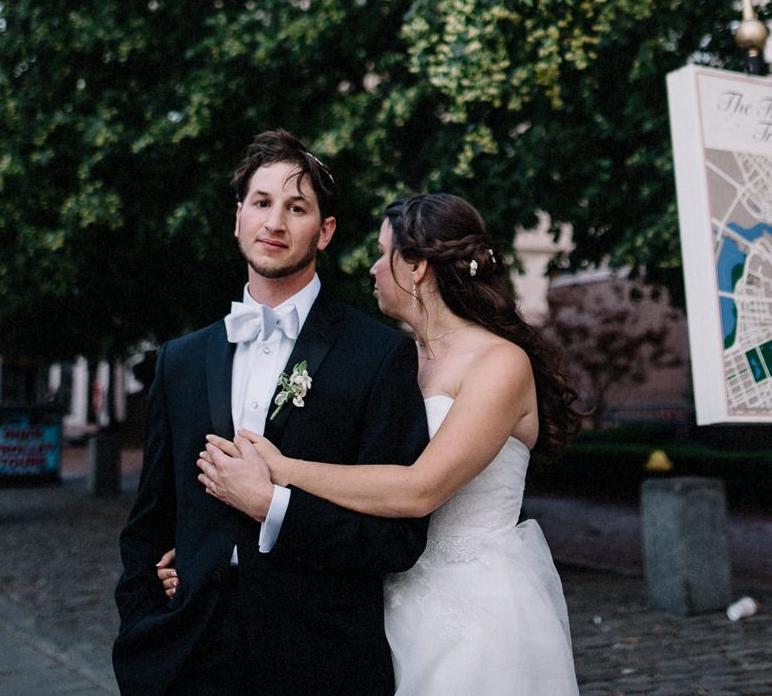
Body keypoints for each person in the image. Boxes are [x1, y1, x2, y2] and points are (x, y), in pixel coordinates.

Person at [195, 192, 583, 695]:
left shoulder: (500, 363)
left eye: (383, 254)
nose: (374, 269)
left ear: (417, 266)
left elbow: (421, 489)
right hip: (381, 597)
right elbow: (354, 476)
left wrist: (283, 469)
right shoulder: (393, 361)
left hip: (474, 612)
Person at [113, 131, 431, 696]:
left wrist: (273, 507)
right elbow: (150, 521)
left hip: (320, 659)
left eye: (296, 207)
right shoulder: (180, 361)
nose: (275, 222)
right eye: (261, 203)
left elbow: (397, 540)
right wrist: (144, 623)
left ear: (325, 231)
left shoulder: (378, 356)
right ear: (239, 218)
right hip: (192, 655)